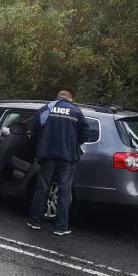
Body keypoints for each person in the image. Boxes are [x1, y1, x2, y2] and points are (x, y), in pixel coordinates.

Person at [27, 90, 90, 235]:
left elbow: (35, 128)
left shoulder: (47, 108)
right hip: (67, 157)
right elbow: (85, 132)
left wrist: (41, 142)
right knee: (64, 191)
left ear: (58, 97)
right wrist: (74, 144)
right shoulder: (76, 111)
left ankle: (35, 221)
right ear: (70, 99)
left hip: (48, 154)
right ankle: (61, 227)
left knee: (42, 188)